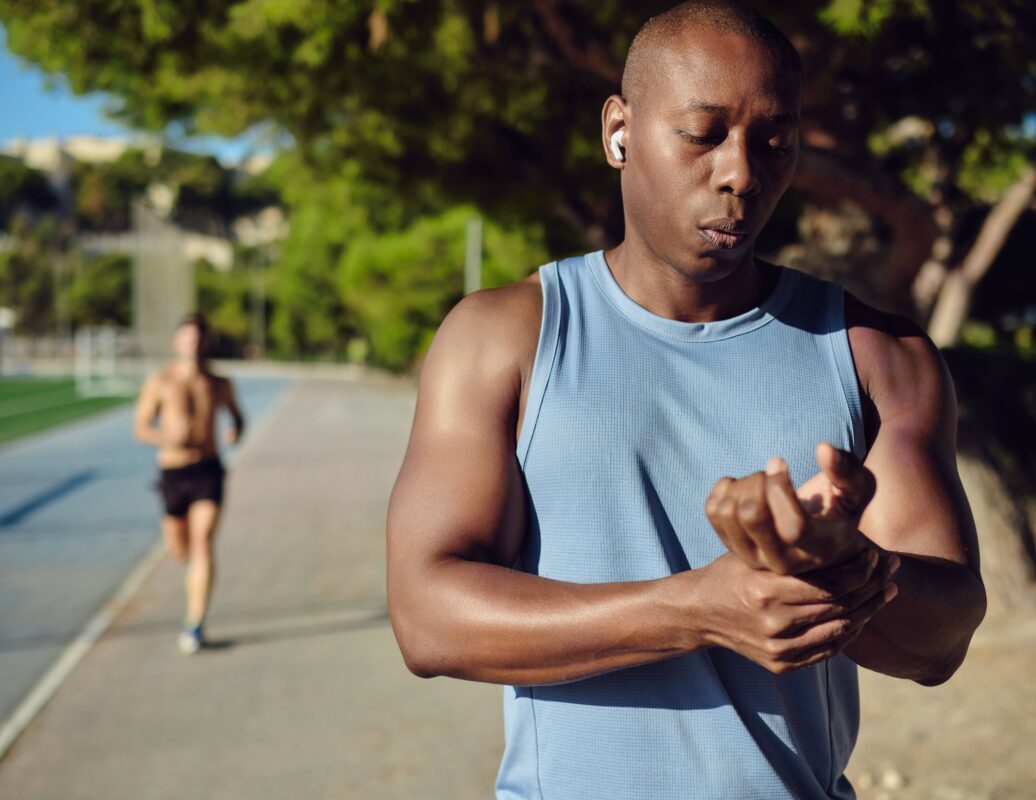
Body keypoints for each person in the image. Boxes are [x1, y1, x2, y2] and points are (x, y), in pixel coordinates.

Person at [386, 2, 987, 797]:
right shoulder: (504, 337)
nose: (742, 172)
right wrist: (695, 609)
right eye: (704, 134)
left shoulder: (880, 355)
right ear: (619, 132)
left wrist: (846, 569)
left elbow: (940, 646)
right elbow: (427, 618)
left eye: (774, 143)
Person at [134, 313, 244, 654]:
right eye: (186, 338)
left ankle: (194, 624)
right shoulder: (161, 381)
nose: (192, 345)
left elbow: (237, 416)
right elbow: (140, 428)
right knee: (179, 550)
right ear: (176, 342)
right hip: (173, 474)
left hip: (208, 471)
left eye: (198, 339)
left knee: (202, 546)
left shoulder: (218, 383)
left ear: (205, 343)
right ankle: (192, 601)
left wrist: (235, 429)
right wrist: (166, 436)